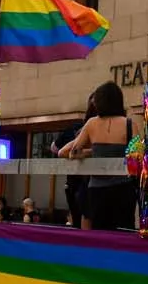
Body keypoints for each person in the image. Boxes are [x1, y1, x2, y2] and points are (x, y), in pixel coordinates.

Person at [58, 81, 136, 231]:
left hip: (98, 189)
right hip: (123, 188)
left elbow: (73, 151)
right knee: (125, 233)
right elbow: (136, 156)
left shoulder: (92, 124)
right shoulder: (130, 124)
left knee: (100, 233)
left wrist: (92, 152)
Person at [52, 95, 96, 228]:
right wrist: (90, 152)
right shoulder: (83, 128)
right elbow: (62, 150)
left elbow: (57, 149)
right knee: (83, 220)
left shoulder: (84, 127)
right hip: (82, 183)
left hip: (90, 183)